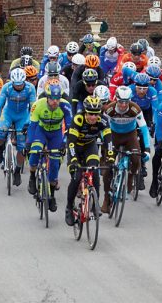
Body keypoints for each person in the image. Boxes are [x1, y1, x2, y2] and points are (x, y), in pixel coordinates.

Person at [101, 86, 150, 214]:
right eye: (121, 102)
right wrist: (104, 143)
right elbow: (103, 129)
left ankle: (130, 177)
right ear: (116, 100)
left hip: (130, 136)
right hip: (113, 136)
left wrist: (148, 150)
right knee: (107, 170)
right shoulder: (109, 109)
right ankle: (106, 198)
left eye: (126, 102)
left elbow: (144, 129)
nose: (123, 105)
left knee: (136, 158)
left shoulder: (135, 109)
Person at [26, 88, 72, 211]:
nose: (55, 102)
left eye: (57, 99)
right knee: (35, 151)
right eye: (52, 99)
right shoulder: (38, 105)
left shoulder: (65, 106)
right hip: (41, 131)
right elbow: (32, 126)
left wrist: (64, 142)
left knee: (55, 163)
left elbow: (69, 127)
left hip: (56, 134)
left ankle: (52, 195)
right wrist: (29, 143)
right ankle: (32, 176)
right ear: (47, 97)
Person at [64, 94, 107, 226]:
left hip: (89, 146)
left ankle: (95, 205)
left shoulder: (103, 121)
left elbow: (109, 139)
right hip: (75, 147)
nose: (93, 117)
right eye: (90, 114)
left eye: (96, 114)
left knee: (94, 171)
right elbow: (71, 142)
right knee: (76, 178)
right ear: (85, 112)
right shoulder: (78, 119)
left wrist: (110, 157)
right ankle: (69, 208)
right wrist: (74, 161)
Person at [0, 67, 36, 184]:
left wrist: (30, 123)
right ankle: (0, 147)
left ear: (24, 81)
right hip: (8, 113)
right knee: (1, 132)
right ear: (12, 81)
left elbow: (33, 108)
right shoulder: (6, 88)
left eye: (20, 84)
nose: (18, 86)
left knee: (22, 147)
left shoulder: (30, 88)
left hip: (23, 116)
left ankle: (17, 171)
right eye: (15, 84)